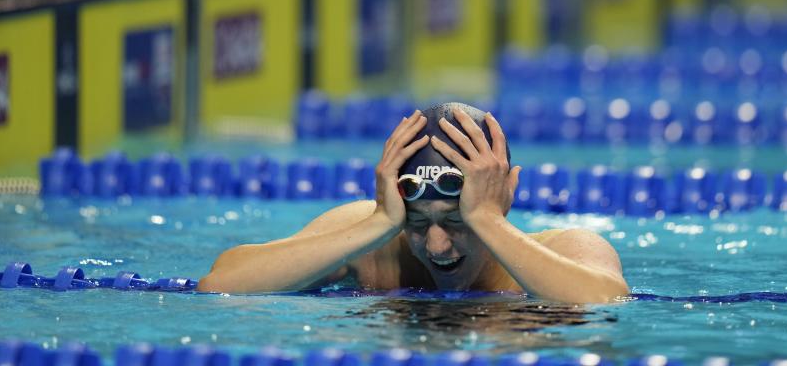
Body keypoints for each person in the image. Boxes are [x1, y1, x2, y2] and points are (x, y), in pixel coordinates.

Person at [197, 103, 629, 304]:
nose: (437, 246)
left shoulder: (569, 250)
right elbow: (220, 284)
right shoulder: (371, 242)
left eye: (458, 221)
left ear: (505, 198)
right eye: (417, 223)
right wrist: (378, 223)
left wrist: (488, 221)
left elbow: (607, 302)